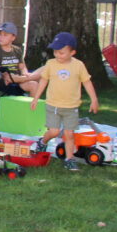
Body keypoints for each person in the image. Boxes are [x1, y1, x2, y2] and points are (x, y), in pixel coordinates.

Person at [30, 31, 99, 172]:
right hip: (53, 105)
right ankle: (42, 141)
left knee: (69, 135)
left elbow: (87, 82)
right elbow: (43, 81)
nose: (57, 55)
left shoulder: (79, 65)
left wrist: (94, 99)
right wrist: (36, 97)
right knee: (54, 132)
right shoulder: (50, 64)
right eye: (55, 52)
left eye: (61, 52)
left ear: (72, 52)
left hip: (71, 107)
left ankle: (69, 159)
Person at [0, 21, 39, 96]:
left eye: (5, 35)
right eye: (0, 34)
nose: (1, 37)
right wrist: (5, 75)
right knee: (9, 76)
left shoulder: (17, 50)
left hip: (18, 79)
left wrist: (25, 73)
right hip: (5, 79)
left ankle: (30, 107)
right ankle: (31, 78)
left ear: (13, 37)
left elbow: (22, 67)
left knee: (34, 84)